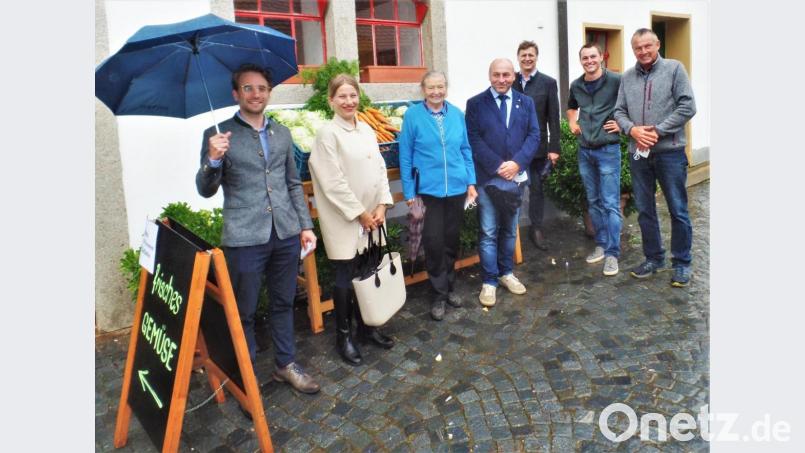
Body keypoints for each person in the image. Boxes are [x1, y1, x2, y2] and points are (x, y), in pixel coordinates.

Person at [196, 63, 320, 394]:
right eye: (248, 88)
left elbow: (293, 184)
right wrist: (213, 160)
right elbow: (205, 189)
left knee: (283, 304)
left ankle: (285, 364)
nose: (256, 94)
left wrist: (304, 226)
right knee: (244, 311)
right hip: (244, 237)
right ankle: (246, 377)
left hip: (285, 233)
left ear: (269, 92)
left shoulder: (282, 133)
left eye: (262, 88)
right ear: (236, 94)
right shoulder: (219, 136)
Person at [308, 74, 396, 366]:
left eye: (353, 95)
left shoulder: (367, 129)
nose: (349, 101)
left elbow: (380, 168)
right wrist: (360, 213)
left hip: (372, 217)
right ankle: (343, 336)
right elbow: (332, 182)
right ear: (331, 100)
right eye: (342, 96)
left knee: (368, 270)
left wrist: (383, 205)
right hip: (346, 220)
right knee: (346, 277)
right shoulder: (327, 134)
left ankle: (368, 327)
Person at [613, 28, 697, 287]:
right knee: (645, 209)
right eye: (638, 48)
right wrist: (633, 130)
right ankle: (654, 258)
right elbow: (619, 111)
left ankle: (681, 263)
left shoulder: (674, 69)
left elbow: (688, 106)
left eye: (648, 46)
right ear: (633, 50)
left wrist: (658, 131)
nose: (643, 51)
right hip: (638, 154)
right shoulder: (626, 77)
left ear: (657, 44)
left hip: (670, 152)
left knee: (678, 209)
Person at [399, 71, 477, 321]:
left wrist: (471, 182)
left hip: (456, 187)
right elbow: (405, 155)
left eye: (440, 87)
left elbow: (465, 149)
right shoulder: (412, 116)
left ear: (446, 88)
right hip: (428, 190)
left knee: (451, 241)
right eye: (431, 87)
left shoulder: (456, 114)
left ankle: (449, 286)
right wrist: (409, 192)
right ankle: (437, 294)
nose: (436, 92)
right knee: (433, 242)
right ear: (423, 89)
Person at [466, 58, 540, 307]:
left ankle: (506, 273)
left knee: (510, 229)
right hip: (488, 178)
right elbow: (473, 139)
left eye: (506, 75)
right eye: (497, 75)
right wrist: (498, 165)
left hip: (516, 179)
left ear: (514, 76)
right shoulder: (475, 104)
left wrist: (517, 163)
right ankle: (489, 281)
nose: (501, 79)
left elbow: (534, 135)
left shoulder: (526, 102)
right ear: (489, 76)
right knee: (488, 231)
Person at [567, 42, 623, 276]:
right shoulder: (577, 85)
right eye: (584, 58)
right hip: (585, 150)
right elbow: (571, 107)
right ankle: (601, 244)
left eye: (593, 57)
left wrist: (623, 124)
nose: (589, 61)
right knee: (594, 201)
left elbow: (631, 104)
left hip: (608, 149)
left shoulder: (616, 81)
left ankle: (613, 254)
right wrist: (572, 121)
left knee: (610, 202)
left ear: (602, 57)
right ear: (581, 61)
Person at [512, 40, 560, 251]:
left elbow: (554, 118)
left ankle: (536, 228)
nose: (527, 58)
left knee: (537, 189)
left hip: (538, 148)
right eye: (523, 55)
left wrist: (554, 147)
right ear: (518, 57)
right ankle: (510, 232)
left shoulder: (548, 83)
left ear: (536, 57)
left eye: (531, 55)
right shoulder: (509, 81)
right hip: (513, 148)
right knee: (512, 190)